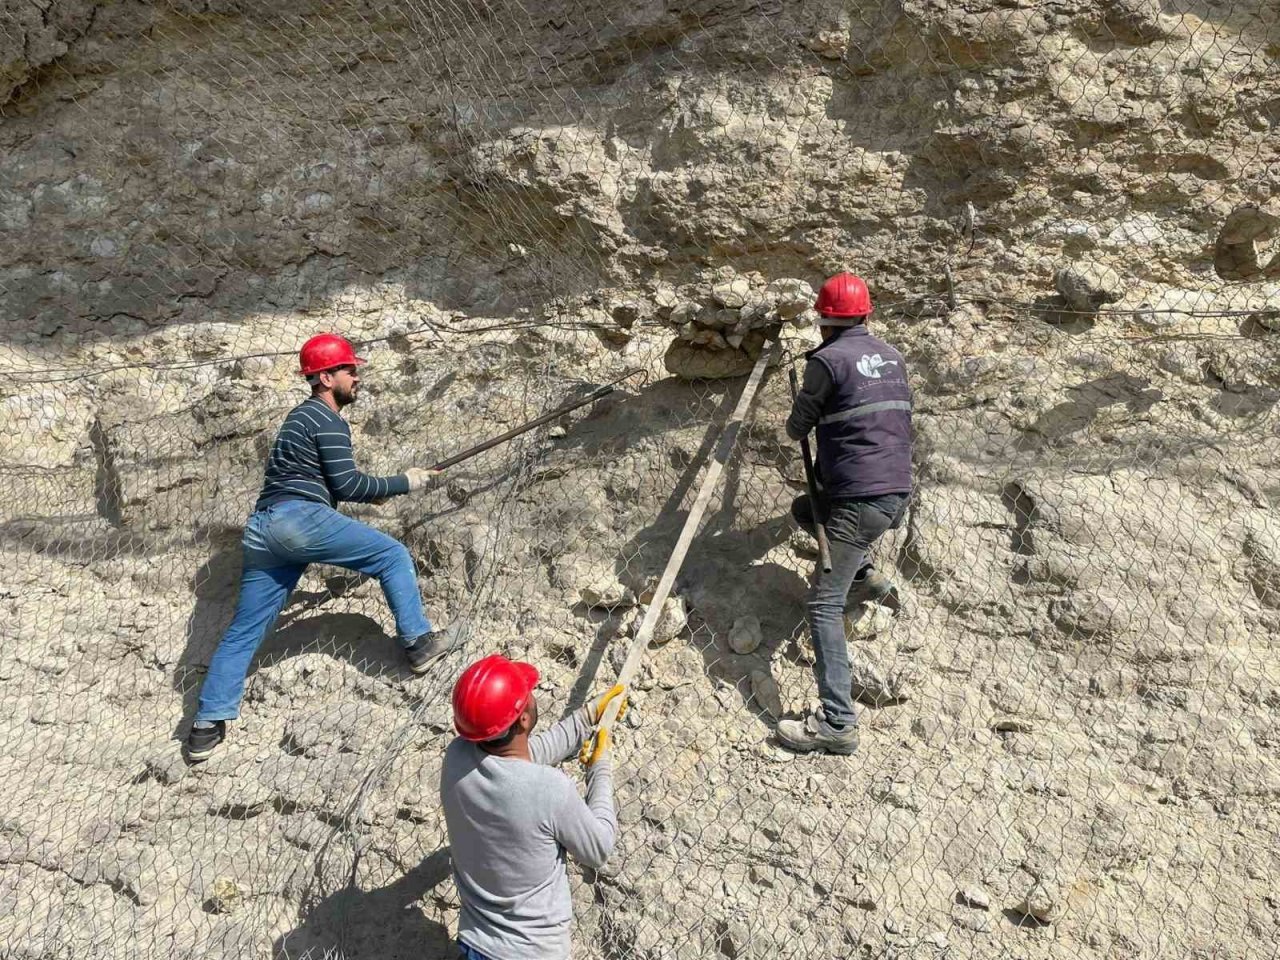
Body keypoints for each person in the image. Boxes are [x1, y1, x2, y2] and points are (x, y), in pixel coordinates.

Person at [185, 333, 457, 760]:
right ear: (325, 377)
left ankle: (206, 725)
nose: (357, 377)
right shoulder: (326, 419)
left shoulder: (299, 419)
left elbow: (331, 482)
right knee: (391, 555)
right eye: (350, 370)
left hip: (263, 530)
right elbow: (348, 484)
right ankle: (420, 644)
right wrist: (406, 481)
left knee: (244, 630)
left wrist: (375, 490)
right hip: (300, 520)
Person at [776, 273, 913, 755]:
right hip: (896, 490)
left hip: (859, 497)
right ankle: (865, 578)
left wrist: (803, 403)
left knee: (822, 606)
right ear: (866, 314)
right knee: (805, 509)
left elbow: (798, 427)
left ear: (825, 321)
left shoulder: (827, 360)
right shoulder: (893, 357)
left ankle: (837, 722)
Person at [441, 654, 623, 960]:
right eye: (527, 694)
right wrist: (600, 766)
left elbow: (519, 760)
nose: (532, 693)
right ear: (524, 718)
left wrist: (585, 717)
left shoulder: (456, 758)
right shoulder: (550, 788)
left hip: (475, 944)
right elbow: (599, 848)